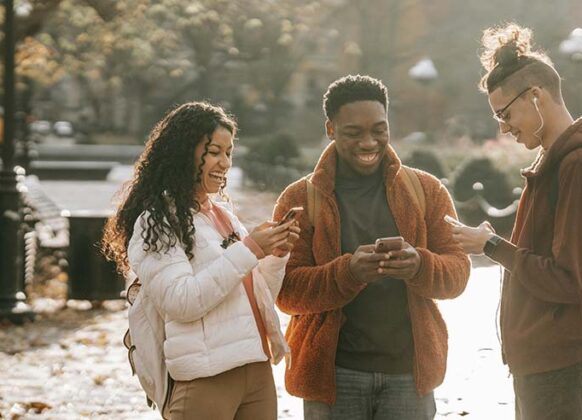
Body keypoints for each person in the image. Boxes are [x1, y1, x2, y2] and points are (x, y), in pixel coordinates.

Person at [451, 23, 582, 420]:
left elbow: (570, 280)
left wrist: (490, 246)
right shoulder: (557, 160)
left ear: (535, 96)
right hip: (545, 362)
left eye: (506, 113)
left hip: (561, 365)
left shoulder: (578, 166)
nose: (503, 127)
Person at [273, 74, 471, 420]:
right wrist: (347, 273)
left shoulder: (426, 190)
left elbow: (458, 273)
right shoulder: (299, 199)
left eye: (379, 130)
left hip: (410, 376)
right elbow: (285, 291)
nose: (369, 142)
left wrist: (419, 266)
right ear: (330, 129)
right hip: (332, 376)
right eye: (354, 133)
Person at [102, 101, 299, 420]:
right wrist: (249, 249)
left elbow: (255, 297)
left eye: (229, 152)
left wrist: (274, 255)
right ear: (184, 153)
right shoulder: (158, 222)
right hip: (206, 379)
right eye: (213, 151)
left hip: (256, 370)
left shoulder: (224, 217)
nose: (225, 162)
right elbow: (182, 302)